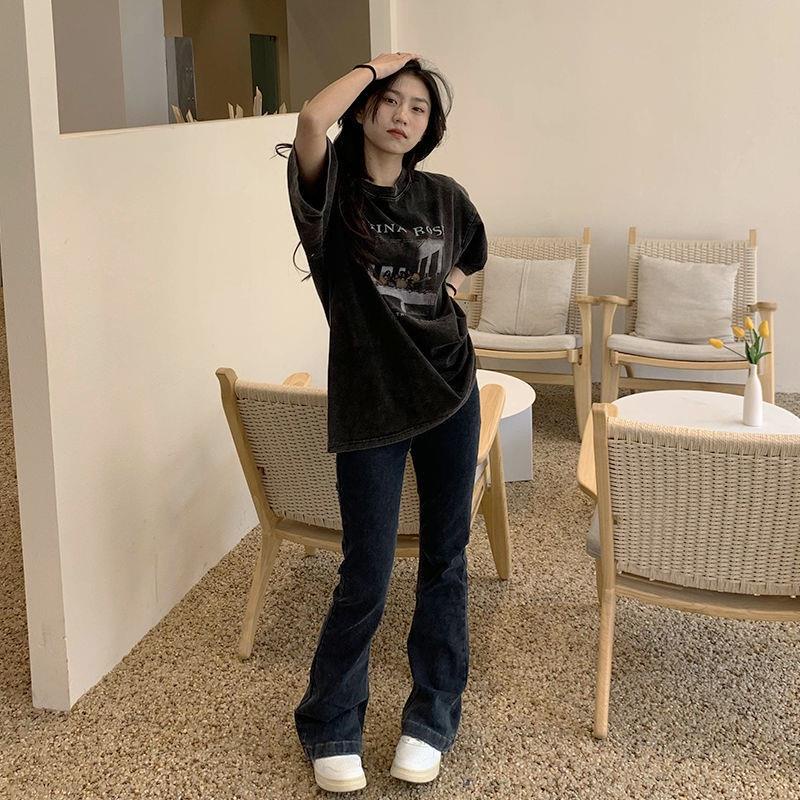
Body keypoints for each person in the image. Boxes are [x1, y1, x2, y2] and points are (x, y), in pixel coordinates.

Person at [275, 51, 488, 793]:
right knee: (366, 569)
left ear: (430, 126)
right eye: (390, 101)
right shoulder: (333, 194)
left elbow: (473, 253)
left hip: (451, 393)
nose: (402, 115)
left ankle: (432, 716)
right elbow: (310, 119)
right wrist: (377, 66)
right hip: (370, 404)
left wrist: (449, 292)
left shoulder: (445, 196)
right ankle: (331, 721)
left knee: (445, 559)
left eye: (418, 106)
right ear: (365, 109)